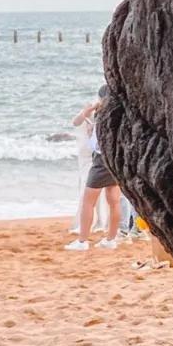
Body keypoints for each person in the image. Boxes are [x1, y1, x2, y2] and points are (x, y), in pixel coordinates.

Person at [65, 88, 122, 251]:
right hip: (114, 159)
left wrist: (91, 131)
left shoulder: (101, 116)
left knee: (88, 202)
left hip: (101, 160)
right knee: (114, 200)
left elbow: (96, 144)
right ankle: (111, 239)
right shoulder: (117, 114)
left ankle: (82, 241)